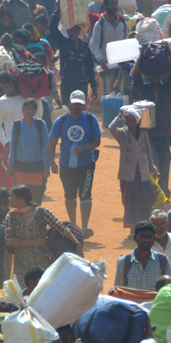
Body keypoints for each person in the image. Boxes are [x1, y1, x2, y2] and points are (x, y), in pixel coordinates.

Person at [48, 91, 101, 238]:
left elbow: (97, 141)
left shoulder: (91, 119)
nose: (77, 106)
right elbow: (51, 142)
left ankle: (84, 227)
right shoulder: (61, 120)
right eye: (74, 103)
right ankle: (73, 226)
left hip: (86, 164)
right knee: (69, 195)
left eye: (80, 103)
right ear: (69, 103)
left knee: (85, 194)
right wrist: (51, 161)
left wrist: (84, 148)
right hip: (66, 165)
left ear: (84, 104)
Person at [4, 185, 76, 281]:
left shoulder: (41, 212)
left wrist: (77, 243)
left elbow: (61, 228)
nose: (9, 199)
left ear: (20, 199)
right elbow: (9, 241)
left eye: (11, 196)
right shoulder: (10, 216)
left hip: (42, 263)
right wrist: (33, 242)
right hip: (21, 265)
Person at [116, 221, 171, 291]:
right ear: (135, 238)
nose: (146, 240)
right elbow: (118, 291)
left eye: (149, 237)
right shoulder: (123, 262)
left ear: (154, 238)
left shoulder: (163, 261)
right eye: (142, 237)